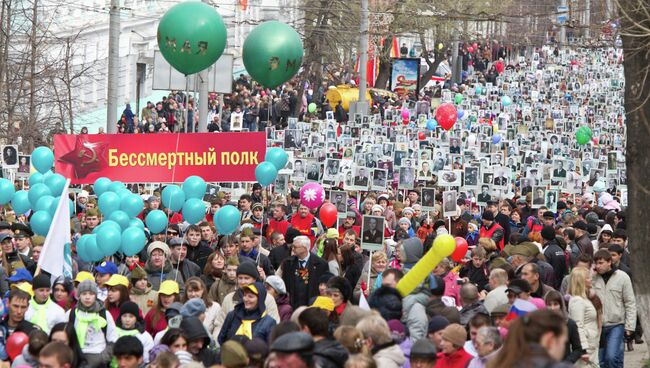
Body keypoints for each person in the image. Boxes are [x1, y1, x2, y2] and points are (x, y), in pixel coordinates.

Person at [592, 249, 636, 368]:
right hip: (598, 326)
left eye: (601, 263)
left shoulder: (622, 277)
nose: (598, 266)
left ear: (609, 262)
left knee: (611, 357)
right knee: (600, 362)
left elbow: (630, 302)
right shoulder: (593, 278)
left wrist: (630, 326)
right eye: (596, 263)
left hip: (616, 324)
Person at [65, 280, 118, 368]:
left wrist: (103, 358)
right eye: (84, 294)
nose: (87, 297)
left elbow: (113, 338)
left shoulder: (104, 314)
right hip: (76, 358)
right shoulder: (72, 314)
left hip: (98, 358)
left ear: (95, 295)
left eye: (91, 294)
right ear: (79, 296)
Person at [280, 235, 329, 309]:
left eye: (295, 247)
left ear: (305, 248)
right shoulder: (288, 263)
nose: (292, 249)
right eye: (292, 246)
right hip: (293, 305)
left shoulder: (321, 264)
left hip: (312, 306)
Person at [566, 267, 600, 367]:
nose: (591, 279)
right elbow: (578, 325)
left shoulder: (583, 298)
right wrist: (583, 349)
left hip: (591, 344)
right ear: (581, 281)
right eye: (588, 278)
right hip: (586, 346)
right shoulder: (578, 301)